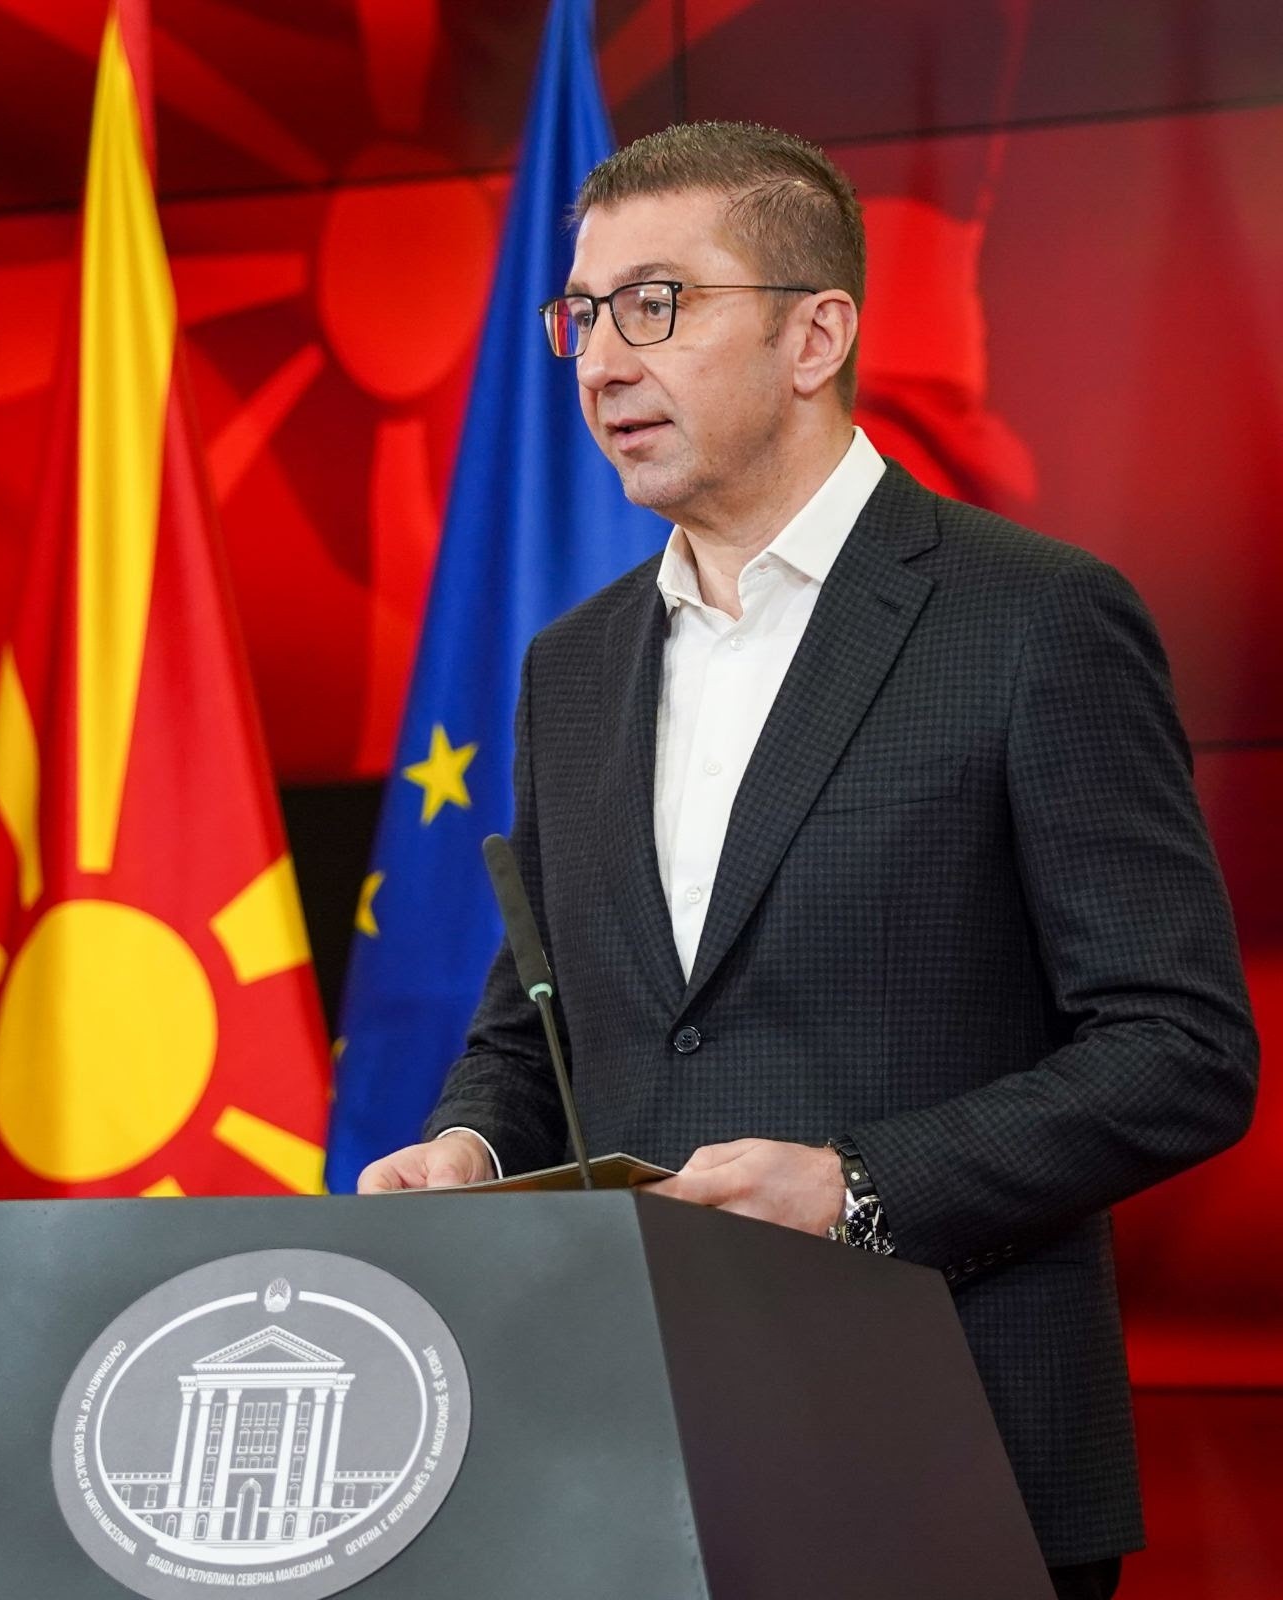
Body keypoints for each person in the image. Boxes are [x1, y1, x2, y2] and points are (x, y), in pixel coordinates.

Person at [356, 122, 1257, 1600]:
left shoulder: (1032, 619)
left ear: (815, 335)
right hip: (624, 1466)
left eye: (657, 304)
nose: (601, 362)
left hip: (950, 1454)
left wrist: (857, 1188)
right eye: (581, 315)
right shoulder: (570, 668)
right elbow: (537, 1033)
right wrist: (473, 1149)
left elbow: (1182, 1052)